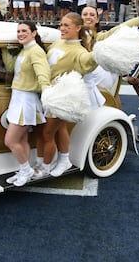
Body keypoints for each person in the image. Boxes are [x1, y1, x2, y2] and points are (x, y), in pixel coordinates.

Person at [37, 12, 98, 178]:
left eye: (67, 26)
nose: (62, 28)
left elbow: (88, 62)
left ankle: (46, 166)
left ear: (78, 28)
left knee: (47, 133)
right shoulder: (59, 42)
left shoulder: (79, 51)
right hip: (48, 93)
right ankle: (64, 159)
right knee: (60, 128)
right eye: (61, 25)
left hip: (60, 98)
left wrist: (99, 54)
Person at [3, 22, 51, 187]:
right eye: (18, 31)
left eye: (24, 31)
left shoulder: (36, 51)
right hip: (17, 97)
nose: (20, 33)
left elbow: (43, 73)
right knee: (22, 139)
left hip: (26, 100)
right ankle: (24, 170)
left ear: (34, 33)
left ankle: (26, 170)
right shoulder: (25, 50)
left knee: (10, 140)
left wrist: (47, 91)